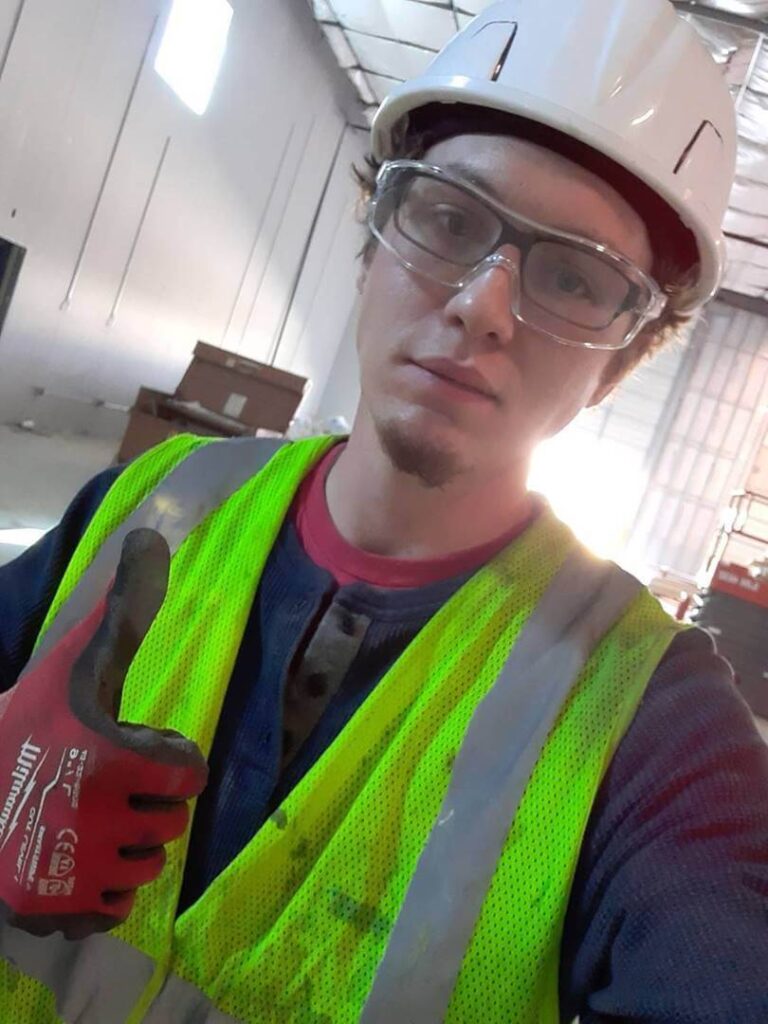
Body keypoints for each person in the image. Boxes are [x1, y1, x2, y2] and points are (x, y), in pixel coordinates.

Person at [0, 0, 767, 1020]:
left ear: (618, 364)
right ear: (373, 236)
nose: (484, 307)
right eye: (449, 220)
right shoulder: (149, 501)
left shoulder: (652, 723)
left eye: (575, 280)